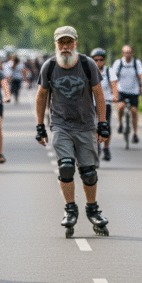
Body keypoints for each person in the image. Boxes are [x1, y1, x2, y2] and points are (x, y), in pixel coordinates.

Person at [35, 26, 111, 237]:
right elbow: (41, 96)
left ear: (76, 43)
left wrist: (103, 123)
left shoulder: (88, 65)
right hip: (61, 125)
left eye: (69, 42)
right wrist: (40, 125)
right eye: (61, 43)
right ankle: (70, 209)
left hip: (85, 125)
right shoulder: (49, 67)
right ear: (56, 44)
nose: (65, 46)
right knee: (66, 167)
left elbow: (99, 95)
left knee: (88, 172)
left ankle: (93, 209)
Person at [112, 45, 142, 144]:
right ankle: (120, 123)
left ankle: (135, 133)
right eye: (126, 52)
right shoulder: (118, 63)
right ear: (123, 53)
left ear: (132, 53)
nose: (128, 54)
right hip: (121, 90)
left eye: (129, 52)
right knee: (120, 106)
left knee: (134, 111)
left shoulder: (137, 63)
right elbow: (113, 78)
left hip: (134, 91)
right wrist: (114, 90)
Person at [90, 47, 118, 161]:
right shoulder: (88, 71)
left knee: (106, 127)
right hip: (91, 103)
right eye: (95, 60)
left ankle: (106, 148)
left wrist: (115, 95)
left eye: (101, 59)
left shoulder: (109, 71)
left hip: (105, 103)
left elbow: (114, 85)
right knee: (91, 126)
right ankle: (94, 146)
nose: (98, 62)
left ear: (104, 60)